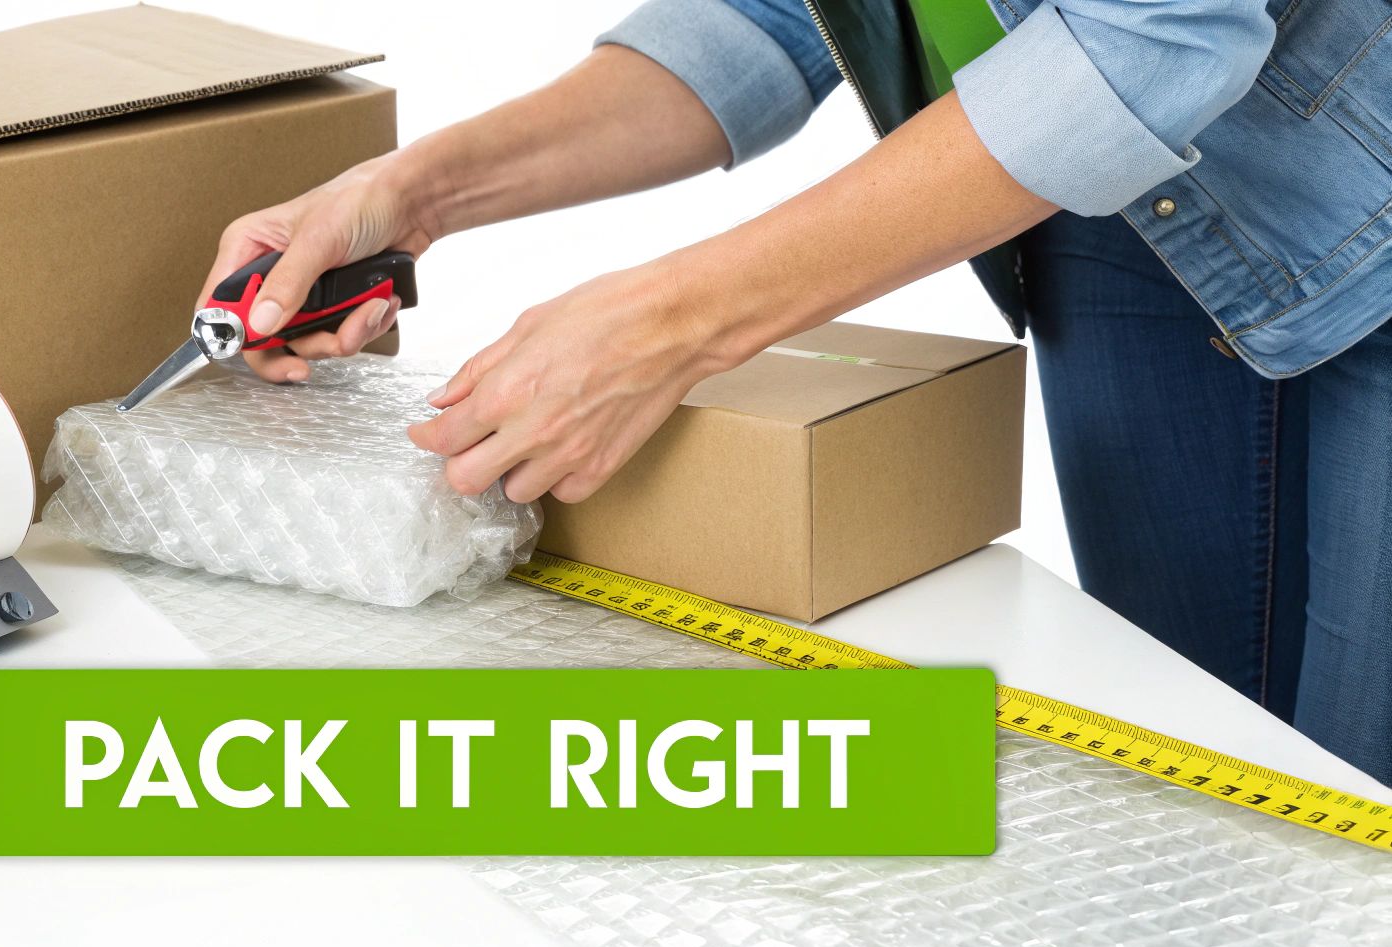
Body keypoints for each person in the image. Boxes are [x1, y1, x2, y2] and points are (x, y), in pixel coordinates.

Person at [198, 0, 1392, 784]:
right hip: (1122, 210)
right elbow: (770, 17)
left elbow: (1158, 32)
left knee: (1353, 795)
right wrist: (419, 193)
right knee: (1194, 766)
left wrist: (673, 321)